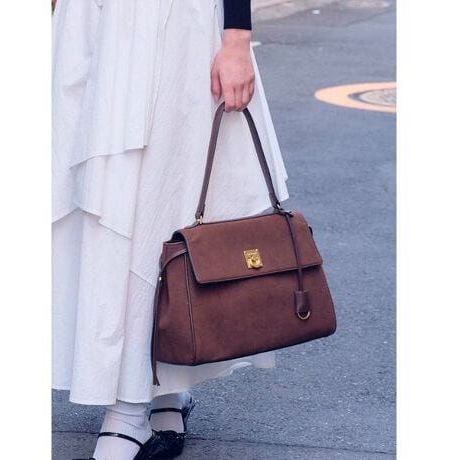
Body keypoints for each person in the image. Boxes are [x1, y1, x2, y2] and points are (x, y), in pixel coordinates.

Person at [52, 0, 290, 458]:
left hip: (177, 25)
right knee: (109, 205)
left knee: (167, 204)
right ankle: (161, 390)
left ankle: (130, 409)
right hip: (93, 24)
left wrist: (237, 39)